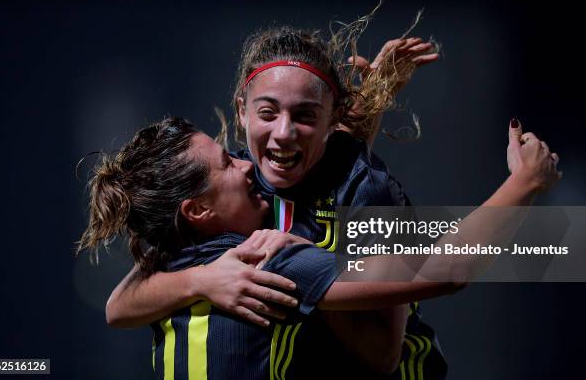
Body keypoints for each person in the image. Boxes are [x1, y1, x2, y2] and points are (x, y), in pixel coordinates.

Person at [102, 23, 561, 379]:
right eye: (267, 112)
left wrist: (523, 186)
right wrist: (204, 281)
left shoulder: (364, 193)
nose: (281, 133)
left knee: (558, 247)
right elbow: (118, 305)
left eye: (305, 115)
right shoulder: (239, 223)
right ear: (241, 109)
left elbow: (383, 356)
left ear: (333, 117)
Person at [79, 117, 471, 378]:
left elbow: (116, 307)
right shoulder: (263, 258)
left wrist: (198, 280)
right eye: (227, 164)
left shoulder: (173, 257)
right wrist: (524, 181)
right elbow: (451, 269)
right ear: (197, 209)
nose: (245, 164)